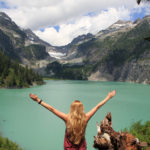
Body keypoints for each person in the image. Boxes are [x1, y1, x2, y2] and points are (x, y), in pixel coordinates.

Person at [29, 90, 116, 150]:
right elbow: (97, 106)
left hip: (69, 148)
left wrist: (38, 100)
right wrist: (108, 97)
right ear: (82, 109)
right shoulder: (85, 118)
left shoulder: (67, 118)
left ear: (72, 108)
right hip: (81, 147)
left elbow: (52, 109)